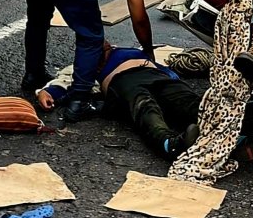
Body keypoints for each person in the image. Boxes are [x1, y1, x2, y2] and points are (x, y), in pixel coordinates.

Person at [21, 0, 154, 122]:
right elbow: (139, 17)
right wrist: (148, 50)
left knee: (37, 21)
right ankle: (79, 101)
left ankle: (33, 74)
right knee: (91, 36)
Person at [38, 44, 200, 159]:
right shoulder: (85, 64)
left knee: (187, 101)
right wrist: (48, 92)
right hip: (123, 81)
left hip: (156, 76)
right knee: (145, 107)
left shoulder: (128, 51)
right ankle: (168, 144)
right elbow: (66, 80)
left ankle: (218, 122)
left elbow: (165, 69)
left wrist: (172, 77)